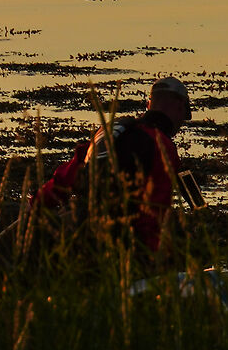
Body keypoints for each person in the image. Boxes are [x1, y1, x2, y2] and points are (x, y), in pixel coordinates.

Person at [31, 78, 199, 251]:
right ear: (180, 107)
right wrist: (155, 258)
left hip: (83, 234)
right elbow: (155, 210)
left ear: (149, 105)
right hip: (125, 245)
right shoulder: (162, 145)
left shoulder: (112, 130)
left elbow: (66, 178)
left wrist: (35, 205)